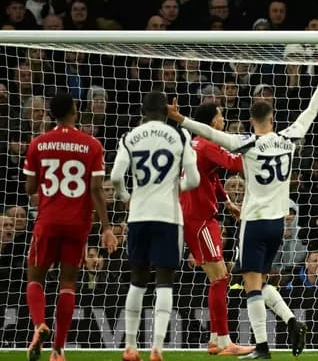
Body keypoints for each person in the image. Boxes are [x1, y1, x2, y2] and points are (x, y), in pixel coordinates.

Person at [166, 47, 318, 359]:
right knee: (261, 281)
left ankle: (261, 347)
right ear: (273, 118)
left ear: (250, 120)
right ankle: (291, 320)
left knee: (251, 286)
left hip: (254, 222)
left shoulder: (248, 144)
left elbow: (210, 136)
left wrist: (182, 120)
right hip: (279, 224)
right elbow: (310, 112)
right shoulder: (289, 138)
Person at [23, 92, 117, 361]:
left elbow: (30, 187)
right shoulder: (92, 145)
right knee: (68, 283)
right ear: (75, 111)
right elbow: (97, 190)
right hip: (77, 223)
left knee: (35, 278)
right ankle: (58, 350)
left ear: (51, 114)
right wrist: (107, 227)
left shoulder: (38, 144)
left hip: (48, 221)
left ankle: (39, 323)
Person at [113, 91, 201, 361]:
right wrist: (177, 188)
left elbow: (116, 176)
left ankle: (129, 347)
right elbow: (194, 180)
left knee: (137, 281)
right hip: (168, 216)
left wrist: (127, 197)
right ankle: (157, 349)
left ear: (143, 111)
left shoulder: (129, 137)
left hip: (139, 215)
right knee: (164, 282)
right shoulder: (181, 136)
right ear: (166, 111)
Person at [178, 102, 252, 356]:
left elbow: (212, 176)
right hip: (200, 219)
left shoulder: (196, 144)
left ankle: (214, 339)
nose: (223, 119)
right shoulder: (208, 144)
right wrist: (256, 147)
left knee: (217, 278)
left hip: (195, 215)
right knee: (220, 278)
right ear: (212, 122)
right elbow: (234, 165)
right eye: (220, 116)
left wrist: (227, 201)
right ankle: (224, 341)